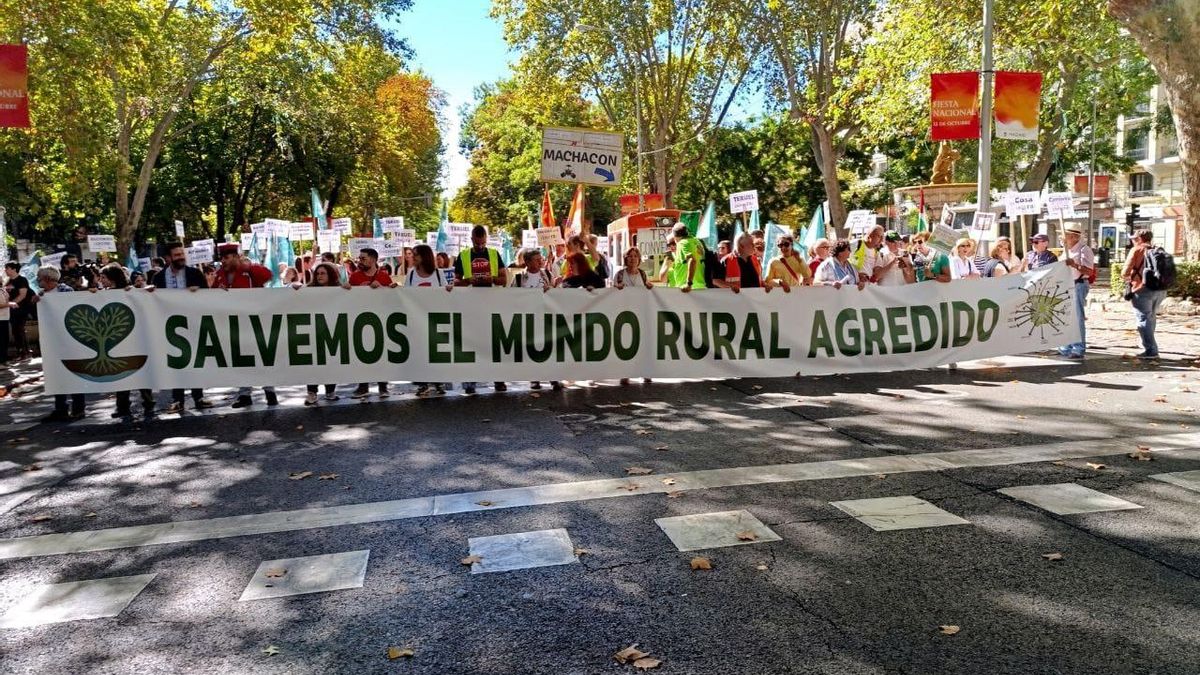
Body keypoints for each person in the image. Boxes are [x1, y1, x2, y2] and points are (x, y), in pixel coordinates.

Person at [148, 242, 214, 413]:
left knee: (195, 360)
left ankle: (198, 397)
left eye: (182, 254)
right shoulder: (159, 277)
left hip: (193, 322)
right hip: (170, 325)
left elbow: (208, 296)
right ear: (168, 258)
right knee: (177, 362)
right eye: (177, 255)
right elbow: (152, 300)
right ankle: (177, 399)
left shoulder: (195, 274)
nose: (181, 257)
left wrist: (198, 291)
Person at [91, 265, 155, 418]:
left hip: (133, 338)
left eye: (103, 277)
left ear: (113, 278)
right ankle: (122, 406)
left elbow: (147, 294)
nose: (101, 280)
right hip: (116, 340)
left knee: (139, 370)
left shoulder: (128, 291)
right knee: (121, 373)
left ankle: (148, 402)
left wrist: (137, 291)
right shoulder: (103, 294)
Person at [453, 226, 508, 395]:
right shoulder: (463, 256)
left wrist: (491, 278)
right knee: (472, 343)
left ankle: (498, 379)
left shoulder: (494, 254)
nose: (480, 246)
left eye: (483, 243)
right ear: (472, 240)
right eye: (477, 244)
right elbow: (456, 282)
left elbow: (504, 280)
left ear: (486, 239)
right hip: (471, 305)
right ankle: (471, 380)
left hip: (492, 304)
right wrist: (469, 281)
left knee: (494, 343)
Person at [38, 267, 86, 421]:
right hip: (53, 342)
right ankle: (61, 408)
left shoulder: (66, 291)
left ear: (47, 279)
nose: (38, 281)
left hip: (69, 341)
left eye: (40, 278)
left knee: (73, 373)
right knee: (57, 373)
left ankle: (78, 408)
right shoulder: (42, 295)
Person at [349, 247, 395, 399]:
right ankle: (363, 386)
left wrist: (383, 288)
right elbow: (347, 298)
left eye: (363, 258)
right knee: (361, 354)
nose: (360, 261)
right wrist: (350, 289)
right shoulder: (355, 277)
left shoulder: (384, 277)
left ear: (374, 259)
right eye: (359, 258)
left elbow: (391, 298)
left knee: (381, 354)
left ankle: (383, 386)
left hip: (380, 320)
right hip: (360, 320)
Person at [301, 261, 348, 405]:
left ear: (330, 275)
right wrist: (296, 289)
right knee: (313, 363)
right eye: (317, 273)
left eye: (323, 273)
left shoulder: (339, 290)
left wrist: (348, 290)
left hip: (333, 331)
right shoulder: (309, 290)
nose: (319, 276)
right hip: (314, 331)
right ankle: (312, 392)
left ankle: (330, 391)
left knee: (331, 361)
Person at [1121, 229, 1163, 359]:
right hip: (1159, 289)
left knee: (1143, 319)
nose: (1132, 241)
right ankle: (1149, 345)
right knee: (1151, 317)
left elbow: (1124, 272)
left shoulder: (1136, 250)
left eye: (1134, 239)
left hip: (1141, 288)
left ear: (1139, 239)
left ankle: (1151, 350)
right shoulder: (1158, 250)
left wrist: (1129, 278)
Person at [1058, 225, 1094, 359]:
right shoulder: (1066, 250)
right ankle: (1065, 346)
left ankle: (1078, 348)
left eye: (1064, 235)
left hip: (1078, 285)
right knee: (1066, 317)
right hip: (1067, 286)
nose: (1061, 237)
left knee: (1077, 317)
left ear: (1073, 237)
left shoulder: (1084, 250)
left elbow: (1089, 271)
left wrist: (1074, 265)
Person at [4, 261, 32, 360]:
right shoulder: (8, 281)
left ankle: (26, 353)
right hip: (11, 309)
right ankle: (21, 352)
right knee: (15, 330)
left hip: (21, 308)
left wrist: (11, 303)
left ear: (14, 269)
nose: (5, 270)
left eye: (7, 268)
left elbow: (22, 295)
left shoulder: (22, 280)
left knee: (20, 329)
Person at [669, 224, 706, 292]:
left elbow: (692, 260)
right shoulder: (697, 241)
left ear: (675, 236)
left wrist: (689, 284)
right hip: (700, 286)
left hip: (687, 289)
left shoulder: (682, 243)